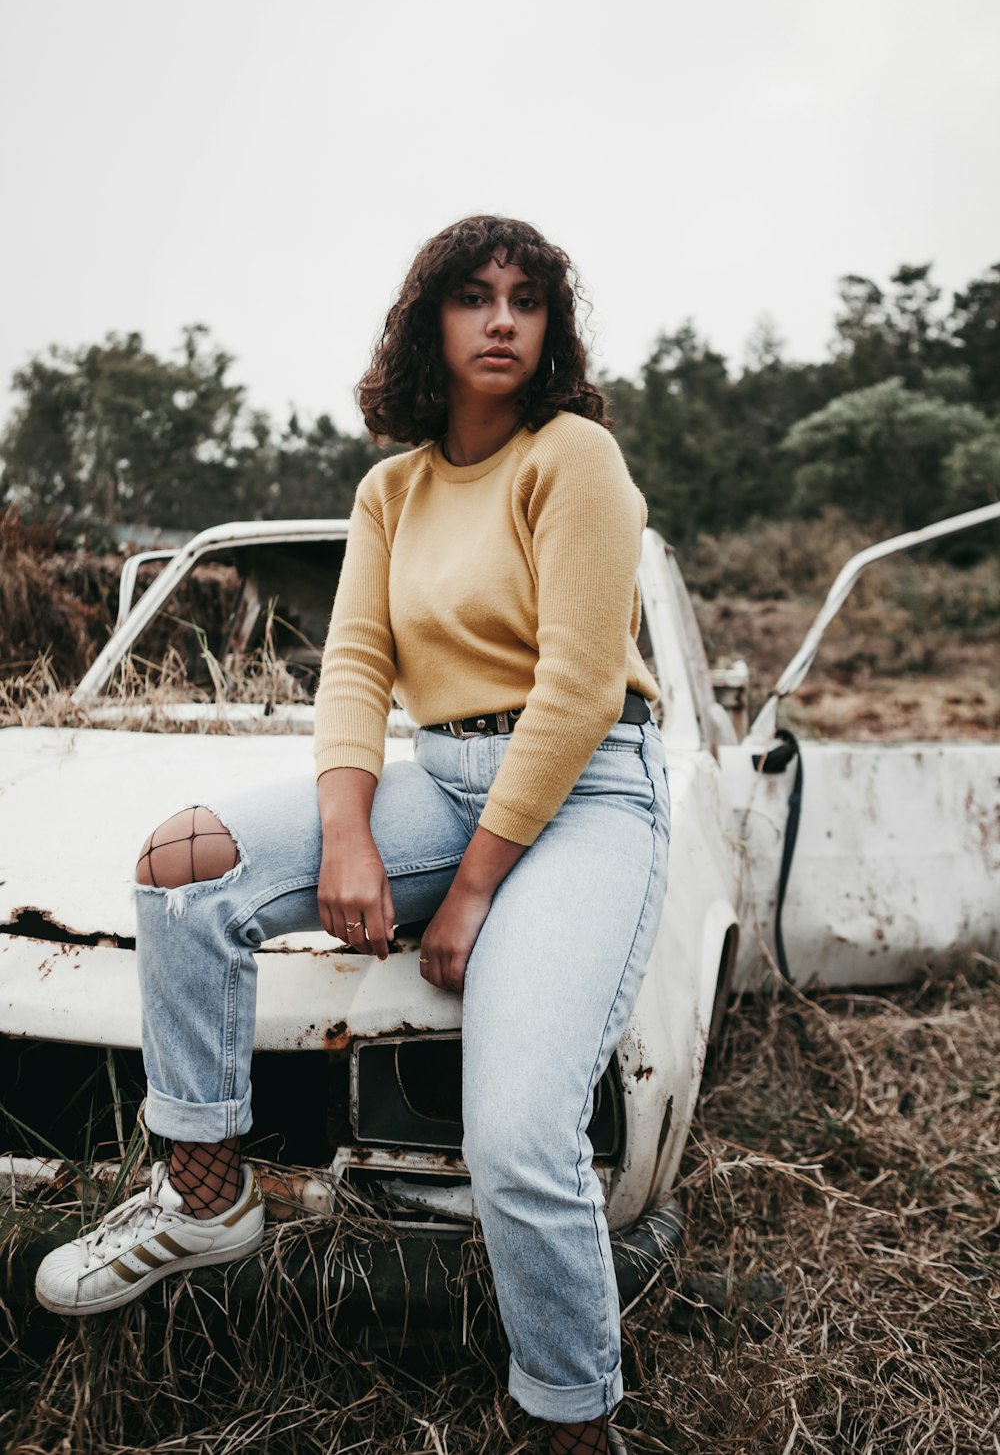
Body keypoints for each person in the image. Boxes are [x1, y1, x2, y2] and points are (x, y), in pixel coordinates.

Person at [35, 216, 670, 1455]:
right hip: (439, 770)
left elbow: (582, 683)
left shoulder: (573, 456)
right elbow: (358, 668)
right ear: (426, 321)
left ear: (549, 329)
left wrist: (473, 888)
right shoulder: (392, 488)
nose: (501, 320)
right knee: (183, 867)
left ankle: (570, 1414)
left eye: (526, 300)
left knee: (521, 1139)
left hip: (587, 790)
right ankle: (203, 1195)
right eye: (473, 297)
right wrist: (348, 836)